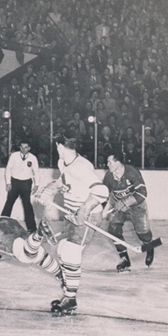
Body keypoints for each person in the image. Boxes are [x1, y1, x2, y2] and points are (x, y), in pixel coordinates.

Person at [37, 134, 110, 315]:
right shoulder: (64, 163)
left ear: (58, 145)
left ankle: (70, 298)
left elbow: (102, 191)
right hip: (71, 214)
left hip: (87, 217)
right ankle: (69, 290)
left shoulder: (81, 167)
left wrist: (84, 209)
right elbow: (64, 182)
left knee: (70, 252)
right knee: (62, 249)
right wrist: (50, 190)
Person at [102, 154, 156, 272]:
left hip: (137, 205)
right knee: (113, 230)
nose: (107, 165)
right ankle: (124, 259)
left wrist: (126, 203)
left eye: (109, 162)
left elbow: (142, 193)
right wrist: (105, 209)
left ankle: (149, 246)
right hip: (117, 204)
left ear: (118, 163)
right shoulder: (108, 177)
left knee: (143, 233)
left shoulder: (132, 172)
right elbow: (103, 195)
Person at [1, 140, 39, 232]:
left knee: (27, 205)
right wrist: (8, 182)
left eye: (25, 147)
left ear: (29, 148)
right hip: (14, 182)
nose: (23, 149)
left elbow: (36, 172)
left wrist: (36, 184)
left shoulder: (33, 158)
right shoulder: (14, 156)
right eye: (21, 147)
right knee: (9, 203)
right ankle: (1, 225)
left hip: (26, 183)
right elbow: (8, 169)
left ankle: (32, 228)